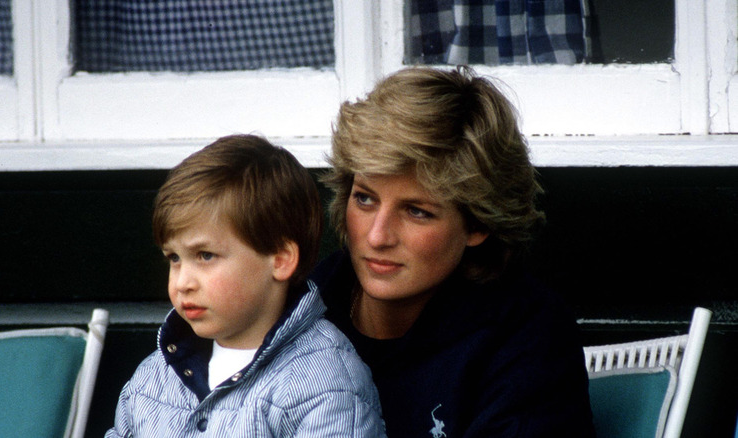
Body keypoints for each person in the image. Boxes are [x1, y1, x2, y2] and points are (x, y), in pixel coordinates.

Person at [313, 66, 596, 437]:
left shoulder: (525, 336)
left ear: (477, 223)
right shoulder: (306, 306)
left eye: (417, 211)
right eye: (365, 199)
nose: (378, 236)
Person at [106, 135, 386, 437]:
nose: (183, 282)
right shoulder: (155, 376)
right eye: (174, 258)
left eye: (205, 256)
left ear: (280, 259)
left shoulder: (323, 382)